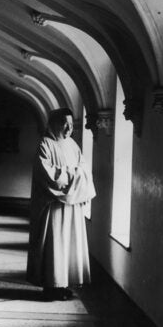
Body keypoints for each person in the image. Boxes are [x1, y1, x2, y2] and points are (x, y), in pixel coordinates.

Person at [26, 108, 96, 301]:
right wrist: (73, 174)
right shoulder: (45, 145)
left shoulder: (73, 145)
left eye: (72, 124)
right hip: (53, 206)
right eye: (65, 124)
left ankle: (63, 284)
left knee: (68, 245)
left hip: (71, 205)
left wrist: (72, 174)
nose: (69, 128)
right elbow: (49, 176)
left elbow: (84, 171)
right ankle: (50, 287)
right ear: (54, 123)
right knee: (54, 245)